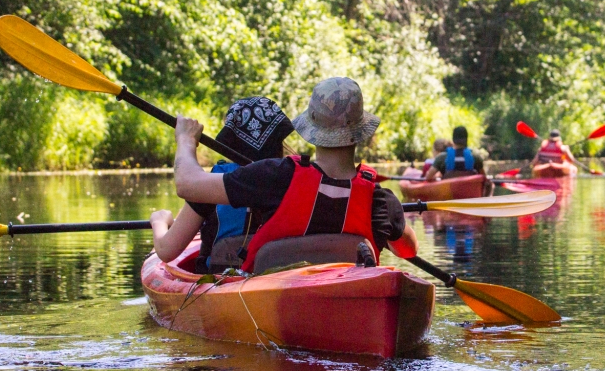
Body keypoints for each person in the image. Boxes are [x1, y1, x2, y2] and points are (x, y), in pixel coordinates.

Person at [151, 77, 418, 273]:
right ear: (362, 132)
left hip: (273, 298)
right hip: (344, 293)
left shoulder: (277, 177)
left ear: (311, 126)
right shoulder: (380, 200)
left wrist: (186, 140)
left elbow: (187, 184)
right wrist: (390, 225)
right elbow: (409, 251)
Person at [150, 96, 294, 273]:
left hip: (222, 282)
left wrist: (159, 220)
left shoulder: (216, 181)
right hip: (277, 277)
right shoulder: (294, 175)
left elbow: (166, 249)